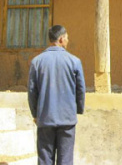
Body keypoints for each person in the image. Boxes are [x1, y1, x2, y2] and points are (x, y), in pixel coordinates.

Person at [28, 25, 86, 165]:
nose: (67, 40)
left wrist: (35, 114)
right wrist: (78, 109)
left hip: (45, 118)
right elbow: (81, 89)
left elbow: (32, 91)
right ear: (61, 39)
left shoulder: (37, 62)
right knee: (65, 160)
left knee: (45, 159)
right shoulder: (74, 61)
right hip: (67, 119)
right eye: (66, 38)